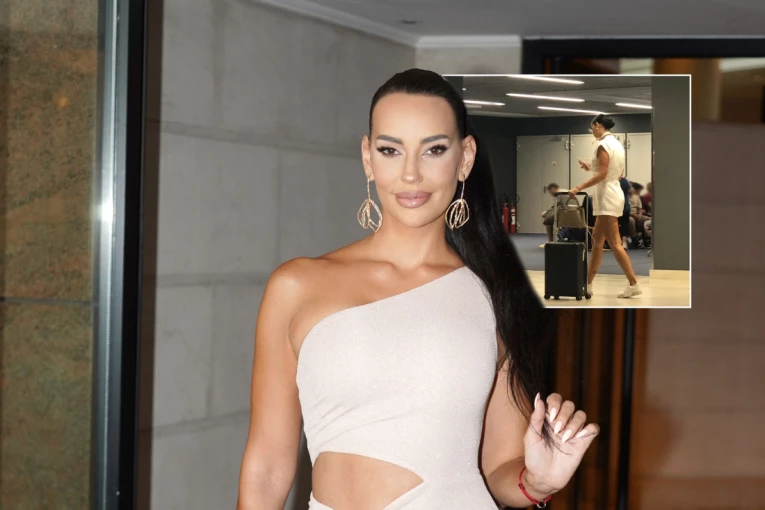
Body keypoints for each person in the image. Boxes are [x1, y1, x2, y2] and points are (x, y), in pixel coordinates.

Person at [237, 69, 599, 510]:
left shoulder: (493, 296)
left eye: (434, 150)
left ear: (464, 158)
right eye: (391, 150)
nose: (410, 174)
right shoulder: (295, 286)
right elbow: (267, 469)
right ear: (368, 157)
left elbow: (499, 468)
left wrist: (538, 482)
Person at [569, 114, 641, 298]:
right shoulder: (616, 144)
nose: (592, 131)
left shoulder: (602, 144)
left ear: (597, 125)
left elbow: (602, 174)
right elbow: (615, 172)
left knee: (615, 243)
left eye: (592, 128)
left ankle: (633, 283)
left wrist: (578, 187)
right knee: (597, 242)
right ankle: (588, 283)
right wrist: (590, 166)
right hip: (612, 192)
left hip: (607, 196)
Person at [540, 182, 561, 247]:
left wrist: (546, 213)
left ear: (553, 189)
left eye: (550, 192)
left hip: (563, 214)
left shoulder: (559, 194)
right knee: (549, 216)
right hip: (572, 214)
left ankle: (550, 241)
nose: (551, 194)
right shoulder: (566, 192)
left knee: (547, 220)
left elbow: (556, 207)